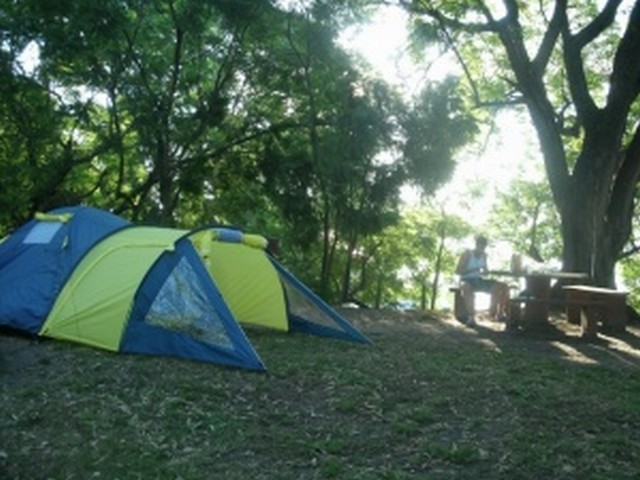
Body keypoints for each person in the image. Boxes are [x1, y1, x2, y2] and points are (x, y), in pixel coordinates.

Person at [455, 235, 510, 325]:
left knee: (503, 286)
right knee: (466, 288)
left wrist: (486, 272)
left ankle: (499, 314)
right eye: (480, 246)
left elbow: (485, 270)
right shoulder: (467, 254)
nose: (482, 248)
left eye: (484, 246)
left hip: (478, 280)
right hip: (466, 280)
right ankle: (471, 316)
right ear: (476, 245)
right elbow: (458, 271)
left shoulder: (484, 256)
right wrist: (474, 270)